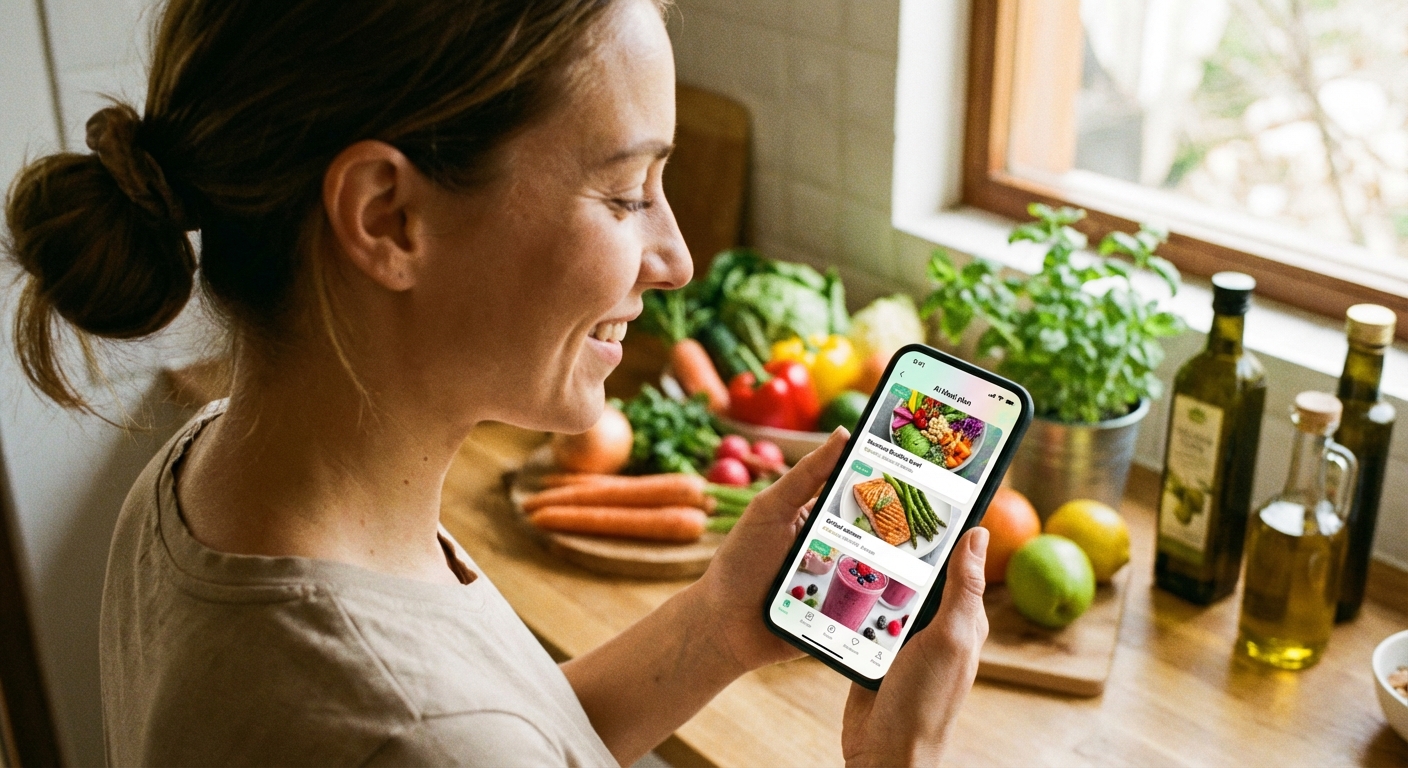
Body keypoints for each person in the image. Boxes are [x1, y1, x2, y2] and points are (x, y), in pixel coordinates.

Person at [3, 0, 990, 765]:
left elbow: (505, 731)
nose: (676, 256)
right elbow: (440, 738)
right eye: (626, 192)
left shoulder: (203, 473)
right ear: (389, 216)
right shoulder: (401, 734)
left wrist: (715, 625)